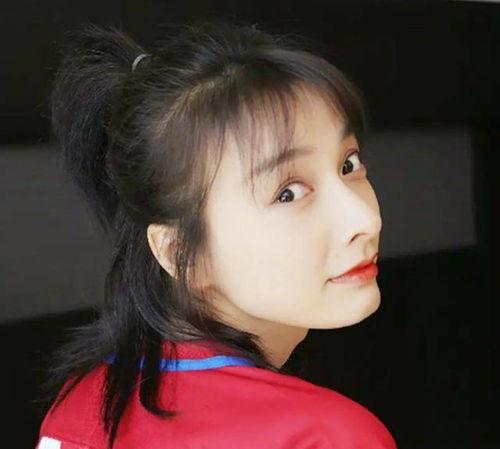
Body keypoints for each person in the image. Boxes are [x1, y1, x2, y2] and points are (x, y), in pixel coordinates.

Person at [35, 18, 397, 449]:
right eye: (287, 193)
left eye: (348, 165)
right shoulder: (323, 437)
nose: (364, 220)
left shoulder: (77, 407)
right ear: (179, 252)